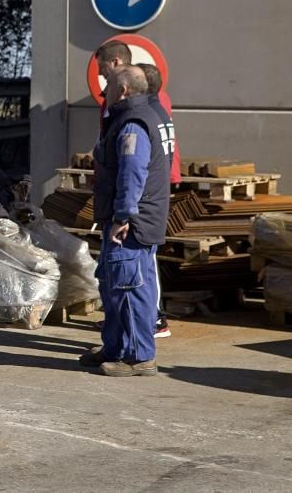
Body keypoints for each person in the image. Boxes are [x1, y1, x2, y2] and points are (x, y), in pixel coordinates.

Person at [79, 66, 170, 377]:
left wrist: (123, 215)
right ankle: (116, 347)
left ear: (125, 91)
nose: (104, 91)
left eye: (110, 85)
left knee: (128, 287)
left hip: (132, 221)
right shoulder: (146, 114)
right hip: (135, 217)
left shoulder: (132, 124)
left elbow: (133, 172)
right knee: (114, 284)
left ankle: (137, 356)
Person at [138, 63, 178, 339]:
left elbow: (136, 166)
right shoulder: (158, 108)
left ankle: (155, 319)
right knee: (145, 259)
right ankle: (148, 317)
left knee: (147, 260)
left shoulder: (145, 114)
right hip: (154, 192)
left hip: (148, 196)